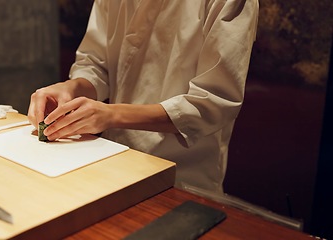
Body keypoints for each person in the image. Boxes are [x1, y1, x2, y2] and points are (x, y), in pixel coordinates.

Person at [28, 0, 259, 193]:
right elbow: (97, 63)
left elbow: (213, 103)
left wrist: (111, 114)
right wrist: (72, 87)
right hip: (108, 162)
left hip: (181, 177)